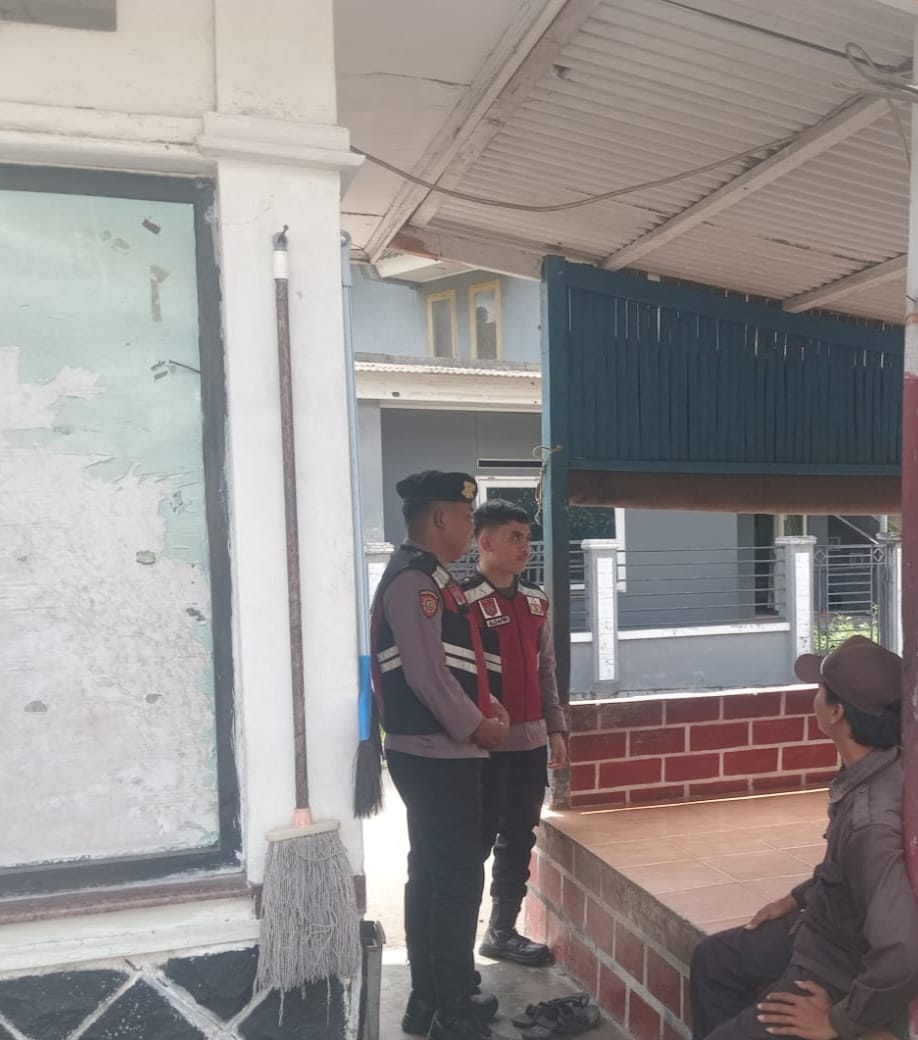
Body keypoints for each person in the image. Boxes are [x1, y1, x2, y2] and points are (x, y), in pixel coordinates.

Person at [689, 635, 918, 1040]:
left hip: (836, 965)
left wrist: (838, 1022)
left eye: (820, 689)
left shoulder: (871, 821)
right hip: (818, 926)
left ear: (836, 712)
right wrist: (797, 898)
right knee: (714, 959)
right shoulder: (878, 766)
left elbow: (902, 949)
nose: (814, 697)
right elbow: (845, 870)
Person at [370, 470, 510, 1040]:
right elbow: (427, 676)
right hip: (435, 753)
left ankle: (428, 1000)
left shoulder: (433, 578)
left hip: (442, 750)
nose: (470, 527)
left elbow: (455, 663)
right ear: (439, 519)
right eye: (466, 517)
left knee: (433, 874)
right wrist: (478, 727)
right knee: (453, 880)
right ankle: (452, 1010)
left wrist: (487, 707)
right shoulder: (416, 582)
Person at [461, 498, 569, 967]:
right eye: (515, 538)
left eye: (527, 538)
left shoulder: (536, 601)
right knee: (475, 841)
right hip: (480, 746)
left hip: (531, 741)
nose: (526, 547)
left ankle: (501, 932)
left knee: (519, 836)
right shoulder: (461, 602)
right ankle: (456, 943)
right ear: (485, 542)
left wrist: (555, 727)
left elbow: (547, 669)